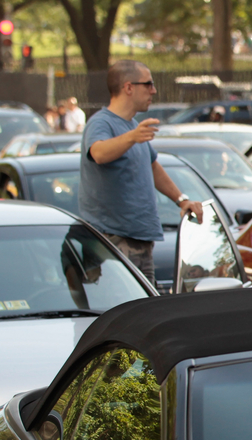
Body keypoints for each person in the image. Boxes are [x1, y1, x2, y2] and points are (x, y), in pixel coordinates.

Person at [79, 60, 203, 286]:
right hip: (115, 239)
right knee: (126, 312)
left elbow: (152, 165)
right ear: (128, 87)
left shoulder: (131, 125)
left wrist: (181, 200)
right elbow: (98, 152)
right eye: (148, 84)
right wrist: (131, 137)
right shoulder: (101, 123)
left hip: (140, 239)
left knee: (145, 311)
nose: (153, 91)